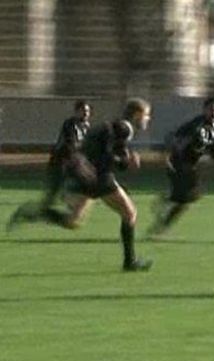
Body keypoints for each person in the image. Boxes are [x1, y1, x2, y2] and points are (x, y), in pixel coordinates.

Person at [8, 98, 154, 272]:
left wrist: (123, 161)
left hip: (86, 174)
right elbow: (107, 157)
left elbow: (106, 154)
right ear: (137, 115)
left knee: (73, 221)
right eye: (146, 115)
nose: (147, 119)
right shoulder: (124, 128)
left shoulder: (115, 127)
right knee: (130, 213)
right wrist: (125, 160)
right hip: (98, 177)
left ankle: (36, 212)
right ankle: (130, 262)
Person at [7, 100, 92, 229]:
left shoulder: (86, 126)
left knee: (77, 190)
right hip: (59, 164)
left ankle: (66, 206)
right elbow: (71, 145)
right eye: (83, 111)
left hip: (72, 165)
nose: (86, 113)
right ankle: (27, 213)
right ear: (76, 112)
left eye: (87, 111)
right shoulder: (70, 124)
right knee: (49, 201)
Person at [147, 97, 214, 236]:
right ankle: (165, 207)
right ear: (204, 110)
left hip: (190, 167)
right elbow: (176, 138)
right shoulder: (195, 125)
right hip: (179, 164)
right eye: (211, 109)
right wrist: (171, 156)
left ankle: (164, 212)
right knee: (188, 196)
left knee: (187, 199)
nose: (213, 113)